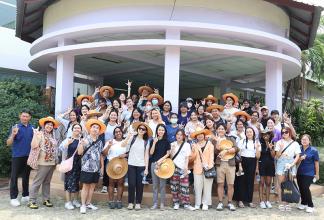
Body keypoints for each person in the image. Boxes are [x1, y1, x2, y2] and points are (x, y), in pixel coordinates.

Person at [78, 119, 108, 214]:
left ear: (99, 131)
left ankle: (88, 203)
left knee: (92, 186)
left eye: (97, 128)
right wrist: (80, 144)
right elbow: (79, 152)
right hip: (86, 167)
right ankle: (83, 205)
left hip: (96, 167)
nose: (95, 129)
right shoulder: (85, 139)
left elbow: (100, 155)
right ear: (90, 129)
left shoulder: (99, 142)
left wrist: (102, 167)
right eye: (93, 127)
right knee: (85, 186)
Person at [28, 117, 60, 209]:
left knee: (47, 182)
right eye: (48, 124)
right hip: (43, 162)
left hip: (52, 162)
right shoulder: (40, 134)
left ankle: (46, 199)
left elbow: (55, 150)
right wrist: (35, 135)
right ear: (44, 125)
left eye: (51, 125)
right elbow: (33, 146)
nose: (49, 126)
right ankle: (32, 200)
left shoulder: (52, 136)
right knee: (37, 181)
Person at [7, 110, 33, 207]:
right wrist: (13, 134)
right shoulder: (15, 127)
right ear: (20, 116)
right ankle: (13, 198)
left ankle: (25, 195)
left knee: (26, 176)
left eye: (27, 116)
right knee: (14, 177)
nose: (25, 118)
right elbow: (8, 143)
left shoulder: (32, 128)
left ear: (29, 117)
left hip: (29, 156)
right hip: (17, 156)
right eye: (23, 116)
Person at [124, 122, 151, 210]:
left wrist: (146, 168)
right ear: (137, 129)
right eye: (140, 128)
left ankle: (138, 203)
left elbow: (146, 155)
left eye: (143, 129)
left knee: (140, 185)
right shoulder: (132, 138)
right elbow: (123, 145)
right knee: (131, 184)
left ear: (145, 131)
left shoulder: (146, 142)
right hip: (131, 164)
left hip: (141, 166)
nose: (141, 130)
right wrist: (128, 136)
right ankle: (131, 202)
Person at [275, 127, 300, 211]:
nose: (284, 134)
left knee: (289, 183)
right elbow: (277, 156)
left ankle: (287, 202)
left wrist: (292, 164)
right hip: (281, 162)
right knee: (280, 184)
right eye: (282, 132)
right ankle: (281, 202)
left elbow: (297, 156)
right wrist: (281, 148)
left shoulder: (295, 143)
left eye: (286, 132)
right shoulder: (279, 142)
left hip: (291, 163)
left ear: (289, 133)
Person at [215, 123, 239, 211]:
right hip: (220, 164)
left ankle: (230, 202)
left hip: (230, 164)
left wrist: (229, 150)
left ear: (225, 130)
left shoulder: (231, 138)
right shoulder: (215, 139)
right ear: (217, 130)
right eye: (219, 128)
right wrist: (217, 145)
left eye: (222, 129)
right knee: (220, 184)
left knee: (230, 184)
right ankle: (220, 202)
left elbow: (236, 148)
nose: (221, 130)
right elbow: (214, 152)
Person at [170, 129, 196, 211]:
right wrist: (172, 150)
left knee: (185, 186)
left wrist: (185, 167)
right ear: (175, 135)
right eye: (178, 134)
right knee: (174, 186)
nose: (179, 136)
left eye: (181, 135)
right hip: (174, 167)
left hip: (183, 168)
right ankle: (176, 203)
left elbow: (187, 157)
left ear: (183, 136)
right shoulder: (172, 144)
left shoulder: (187, 145)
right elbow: (171, 157)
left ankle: (186, 204)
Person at [190, 128, 214, 211]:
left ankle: (205, 203)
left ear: (204, 135)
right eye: (198, 134)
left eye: (201, 134)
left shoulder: (210, 144)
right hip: (197, 168)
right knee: (197, 186)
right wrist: (192, 151)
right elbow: (192, 158)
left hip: (208, 168)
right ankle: (197, 203)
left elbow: (211, 156)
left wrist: (209, 166)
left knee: (207, 187)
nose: (200, 135)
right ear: (196, 136)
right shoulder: (194, 145)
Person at [59, 124, 83, 210]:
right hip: (70, 163)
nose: (77, 129)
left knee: (77, 182)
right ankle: (68, 202)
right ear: (72, 130)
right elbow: (61, 148)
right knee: (68, 182)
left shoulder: (81, 140)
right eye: (75, 128)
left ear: (81, 130)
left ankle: (75, 200)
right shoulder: (68, 139)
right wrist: (67, 144)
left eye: (79, 128)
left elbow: (81, 152)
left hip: (78, 163)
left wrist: (81, 144)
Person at [235, 127, 260, 208]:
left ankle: (249, 200)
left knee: (250, 181)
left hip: (252, 162)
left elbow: (258, 156)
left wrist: (257, 148)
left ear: (253, 133)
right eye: (247, 132)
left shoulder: (257, 142)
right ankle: (240, 200)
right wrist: (239, 165)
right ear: (245, 133)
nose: (249, 133)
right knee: (241, 181)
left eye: (250, 132)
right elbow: (238, 154)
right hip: (242, 162)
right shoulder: (242, 141)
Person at [105, 127, 127, 209]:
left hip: (122, 165)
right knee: (111, 183)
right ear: (114, 134)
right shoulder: (110, 141)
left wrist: (126, 155)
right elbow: (104, 153)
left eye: (120, 131)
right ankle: (111, 201)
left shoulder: (125, 142)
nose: (118, 133)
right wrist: (108, 146)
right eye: (116, 132)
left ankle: (119, 201)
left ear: (122, 132)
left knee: (120, 183)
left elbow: (129, 151)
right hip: (111, 164)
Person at [149, 124, 171, 210]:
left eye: (162, 130)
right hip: (154, 164)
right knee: (155, 185)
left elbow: (168, 153)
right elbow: (151, 153)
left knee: (162, 185)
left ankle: (162, 204)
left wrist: (160, 160)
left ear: (164, 131)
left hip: (163, 165)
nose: (160, 131)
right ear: (157, 131)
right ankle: (155, 203)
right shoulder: (153, 141)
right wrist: (154, 143)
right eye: (159, 130)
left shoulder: (167, 141)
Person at [297, 134, 320, 213]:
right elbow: (296, 161)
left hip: (309, 173)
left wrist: (317, 174)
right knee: (301, 188)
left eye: (306, 139)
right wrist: (300, 158)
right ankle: (304, 203)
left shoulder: (314, 150)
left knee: (305, 187)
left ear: (309, 141)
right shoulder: (298, 149)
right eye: (302, 139)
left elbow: (316, 163)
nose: (304, 141)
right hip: (299, 172)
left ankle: (310, 205)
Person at [257, 129, 275, 209]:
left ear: (270, 135)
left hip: (270, 165)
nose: (265, 135)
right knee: (261, 183)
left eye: (267, 134)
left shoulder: (273, 143)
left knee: (268, 183)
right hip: (262, 164)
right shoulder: (259, 143)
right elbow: (257, 157)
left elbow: (273, 156)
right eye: (264, 134)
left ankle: (267, 201)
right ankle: (261, 201)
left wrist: (270, 148)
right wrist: (257, 168)